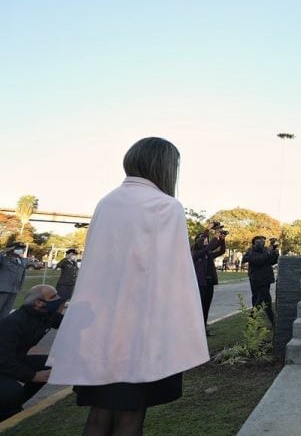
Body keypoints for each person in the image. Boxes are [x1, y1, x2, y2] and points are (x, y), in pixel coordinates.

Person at [45, 137, 209, 436]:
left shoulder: (106, 202)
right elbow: (175, 277)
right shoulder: (166, 206)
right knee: (131, 416)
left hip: (100, 330)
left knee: (99, 414)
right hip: (141, 331)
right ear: (165, 167)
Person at [0, 285, 64, 421]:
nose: (58, 299)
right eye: (53, 297)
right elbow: (3, 359)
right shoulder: (14, 323)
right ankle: (5, 412)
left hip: (15, 359)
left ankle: (13, 407)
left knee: (52, 364)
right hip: (3, 362)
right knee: (12, 390)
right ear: (38, 303)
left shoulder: (46, 315)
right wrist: (32, 376)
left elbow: (68, 323)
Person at [192, 222, 226, 333]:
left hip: (209, 283)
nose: (206, 241)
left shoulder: (208, 253)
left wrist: (222, 238)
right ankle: (197, 329)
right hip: (200, 284)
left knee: (206, 307)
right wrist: (208, 230)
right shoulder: (195, 253)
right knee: (200, 307)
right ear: (197, 241)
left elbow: (221, 250)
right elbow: (208, 247)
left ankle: (204, 328)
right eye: (203, 239)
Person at [242, 236, 279, 325]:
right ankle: (251, 322)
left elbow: (272, 261)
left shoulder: (266, 250)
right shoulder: (251, 252)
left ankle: (272, 323)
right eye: (259, 242)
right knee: (259, 301)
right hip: (256, 280)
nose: (262, 243)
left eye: (263, 241)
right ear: (254, 243)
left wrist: (274, 252)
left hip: (266, 279)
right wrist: (269, 252)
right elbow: (259, 260)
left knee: (266, 302)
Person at [0, 242, 27, 318]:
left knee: (6, 310)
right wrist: (4, 251)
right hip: (3, 289)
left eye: (22, 249)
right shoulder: (4, 259)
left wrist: (19, 286)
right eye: (18, 248)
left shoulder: (22, 261)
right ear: (12, 249)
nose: (21, 250)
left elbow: (23, 274)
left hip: (14, 289)